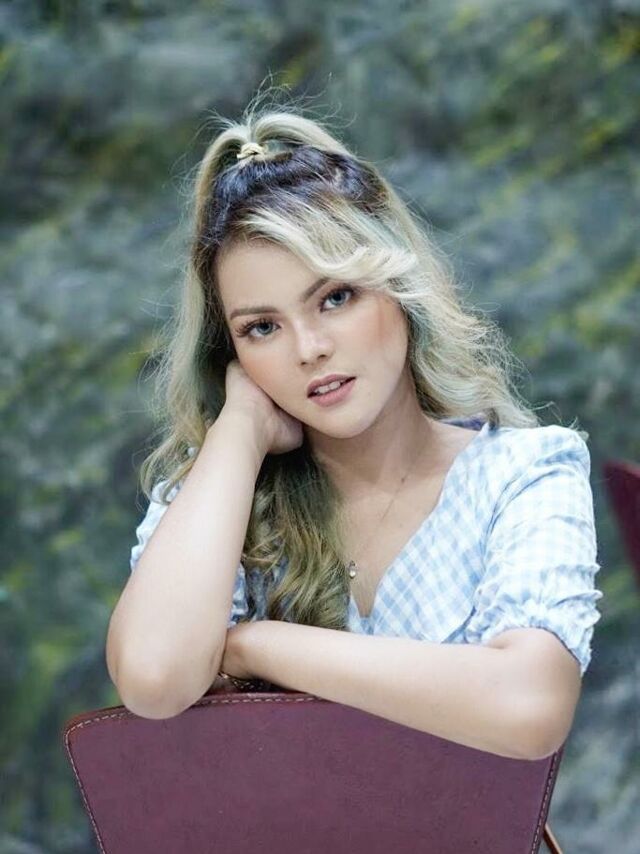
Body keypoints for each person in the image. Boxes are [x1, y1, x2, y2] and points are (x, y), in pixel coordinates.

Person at [105, 96, 603, 761]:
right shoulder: (215, 497)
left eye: (335, 297)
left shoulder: (523, 474)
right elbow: (153, 678)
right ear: (232, 353)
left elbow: (529, 708)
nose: (309, 349)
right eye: (262, 328)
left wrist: (254, 645)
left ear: (399, 284)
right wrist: (241, 427)